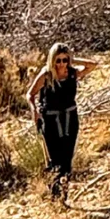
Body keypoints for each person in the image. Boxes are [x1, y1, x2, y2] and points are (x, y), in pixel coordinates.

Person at [27, 44, 90, 201]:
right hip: (51, 120)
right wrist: (34, 111)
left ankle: (64, 196)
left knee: (67, 159)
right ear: (52, 60)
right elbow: (30, 94)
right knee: (54, 159)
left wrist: (73, 60)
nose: (61, 64)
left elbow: (93, 65)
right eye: (58, 60)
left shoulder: (72, 73)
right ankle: (55, 196)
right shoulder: (46, 75)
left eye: (64, 60)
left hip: (70, 119)